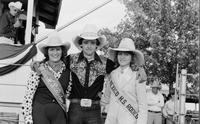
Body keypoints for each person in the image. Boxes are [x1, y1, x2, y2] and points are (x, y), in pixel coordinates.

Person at [22, 31, 71, 124]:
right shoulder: (38, 69)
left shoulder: (68, 72)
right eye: (51, 49)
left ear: (62, 51)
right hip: (40, 113)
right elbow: (28, 97)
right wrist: (28, 120)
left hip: (59, 116)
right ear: (47, 52)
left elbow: (68, 95)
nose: (55, 53)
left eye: (58, 49)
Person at [100, 38, 148, 124]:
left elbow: (143, 106)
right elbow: (105, 99)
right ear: (116, 56)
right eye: (120, 54)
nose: (122, 57)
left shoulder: (138, 76)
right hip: (111, 120)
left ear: (132, 57)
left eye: (126, 54)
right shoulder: (112, 74)